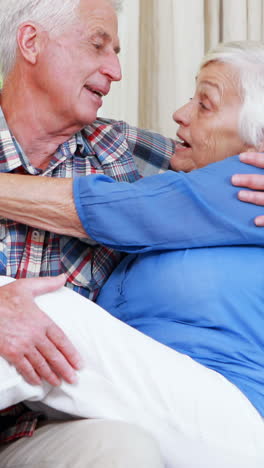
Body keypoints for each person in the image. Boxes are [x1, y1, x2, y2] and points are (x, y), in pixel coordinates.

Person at [1, 40, 264, 468]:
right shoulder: (176, 185)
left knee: (32, 308)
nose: (180, 113)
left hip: (234, 419)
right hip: (167, 416)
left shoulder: (248, 181)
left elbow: (117, 209)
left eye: (205, 103)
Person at [0, 0, 176, 466]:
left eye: (117, 51)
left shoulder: (123, 153)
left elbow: (225, 154)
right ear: (31, 43)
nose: (116, 70)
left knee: (123, 449)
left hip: (33, 435)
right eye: (99, 46)